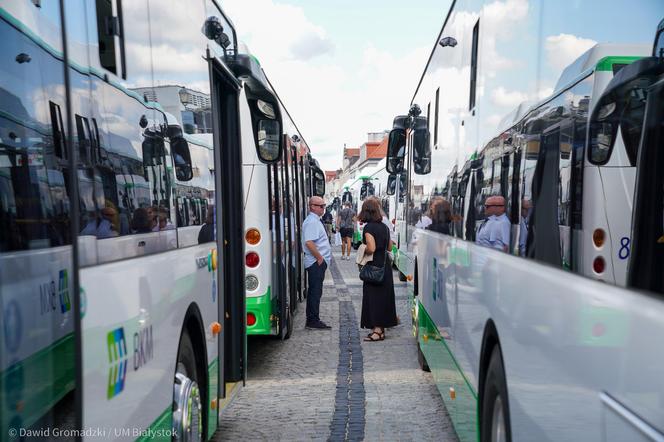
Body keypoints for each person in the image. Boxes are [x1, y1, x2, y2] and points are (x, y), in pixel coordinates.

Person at [359, 197, 398, 342]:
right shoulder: (384, 227)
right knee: (384, 298)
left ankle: (376, 330)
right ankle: (381, 329)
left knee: (373, 298)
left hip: (373, 266)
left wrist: (363, 249)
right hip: (385, 266)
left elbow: (371, 248)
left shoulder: (369, 228)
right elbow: (389, 247)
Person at [302, 196, 332, 329]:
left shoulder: (314, 220)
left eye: (324, 206)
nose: (323, 208)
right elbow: (309, 242)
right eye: (321, 206)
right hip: (315, 262)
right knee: (315, 291)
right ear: (312, 207)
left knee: (316, 291)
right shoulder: (312, 222)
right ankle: (312, 320)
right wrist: (320, 258)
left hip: (317, 262)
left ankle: (313, 319)